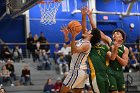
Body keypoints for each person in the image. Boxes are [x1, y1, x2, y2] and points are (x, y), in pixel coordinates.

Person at [86, 7, 129, 93]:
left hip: (119, 73)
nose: (114, 35)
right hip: (110, 72)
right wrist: (90, 16)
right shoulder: (109, 41)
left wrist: (115, 54)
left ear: (122, 38)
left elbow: (124, 63)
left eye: (117, 34)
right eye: (114, 34)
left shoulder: (125, 49)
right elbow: (96, 30)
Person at [79, 7, 120, 93]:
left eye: (89, 32)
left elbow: (112, 57)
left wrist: (116, 47)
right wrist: (84, 16)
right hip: (96, 76)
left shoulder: (104, 46)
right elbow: (86, 30)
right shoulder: (88, 46)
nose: (88, 32)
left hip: (106, 75)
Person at [60, 17, 93, 93]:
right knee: (77, 92)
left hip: (77, 70)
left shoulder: (87, 44)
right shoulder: (81, 41)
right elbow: (68, 44)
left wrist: (73, 37)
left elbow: (74, 50)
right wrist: (66, 35)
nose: (86, 30)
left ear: (91, 36)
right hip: (81, 71)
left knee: (62, 91)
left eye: (88, 31)